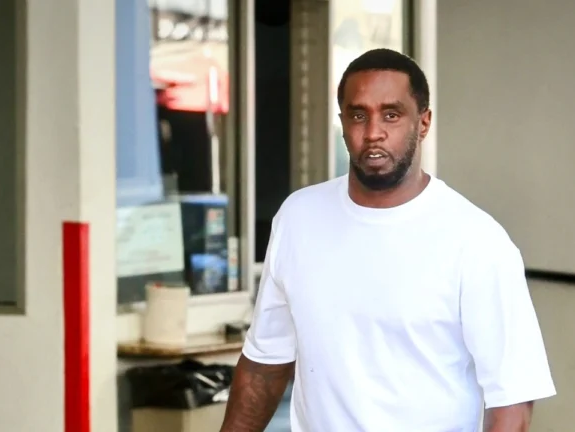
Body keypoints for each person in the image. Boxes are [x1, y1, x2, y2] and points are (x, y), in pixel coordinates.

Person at [220, 48, 556, 432]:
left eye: (391, 115)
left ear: (423, 123)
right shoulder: (298, 218)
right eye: (358, 115)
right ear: (342, 122)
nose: (373, 132)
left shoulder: (477, 241)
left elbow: (512, 401)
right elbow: (264, 366)